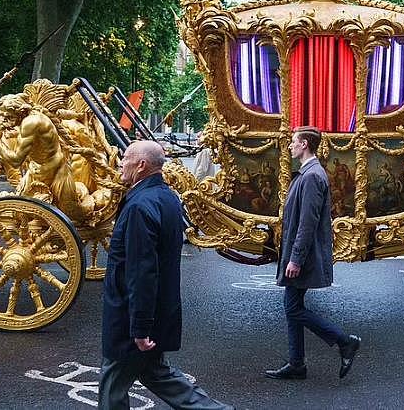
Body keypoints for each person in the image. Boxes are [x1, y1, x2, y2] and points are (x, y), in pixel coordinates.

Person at [99, 140, 232, 410]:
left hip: (130, 316)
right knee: (158, 376)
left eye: (125, 158)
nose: (120, 163)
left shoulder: (139, 206)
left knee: (113, 384)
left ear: (141, 165)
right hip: (157, 310)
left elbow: (141, 272)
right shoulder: (167, 197)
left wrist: (139, 327)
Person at [265, 126, 362, 380]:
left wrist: (296, 258)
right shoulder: (310, 173)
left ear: (305, 144)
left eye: (293, 142)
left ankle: (344, 341)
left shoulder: (311, 177)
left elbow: (308, 222)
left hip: (303, 256)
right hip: (302, 253)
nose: (290, 146)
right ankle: (297, 364)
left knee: (293, 308)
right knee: (292, 305)